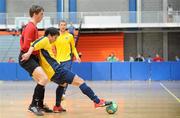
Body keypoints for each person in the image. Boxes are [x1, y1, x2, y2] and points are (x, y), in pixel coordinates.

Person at [21, 27, 112, 113]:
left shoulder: (46, 43)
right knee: (80, 81)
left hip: (52, 74)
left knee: (62, 84)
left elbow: (33, 44)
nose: (55, 40)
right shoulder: (45, 40)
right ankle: (97, 101)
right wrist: (28, 53)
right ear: (50, 35)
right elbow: (33, 44)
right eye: (55, 37)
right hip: (57, 70)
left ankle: (57, 106)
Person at [18, 5, 52, 116]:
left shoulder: (33, 26)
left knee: (42, 81)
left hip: (31, 57)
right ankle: (33, 106)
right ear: (35, 14)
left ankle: (39, 105)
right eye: (41, 14)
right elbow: (27, 46)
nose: (42, 16)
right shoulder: (30, 27)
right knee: (43, 78)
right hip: (27, 57)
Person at [51, 20, 81, 112]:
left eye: (64, 25)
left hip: (67, 60)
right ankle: (58, 104)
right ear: (59, 26)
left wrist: (77, 56)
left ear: (66, 26)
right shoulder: (55, 37)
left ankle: (63, 93)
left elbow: (73, 48)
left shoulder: (70, 36)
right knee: (60, 81)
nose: (63, 26)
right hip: (58, 61)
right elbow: (52, 48)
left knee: (66, 77)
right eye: (61, 25)